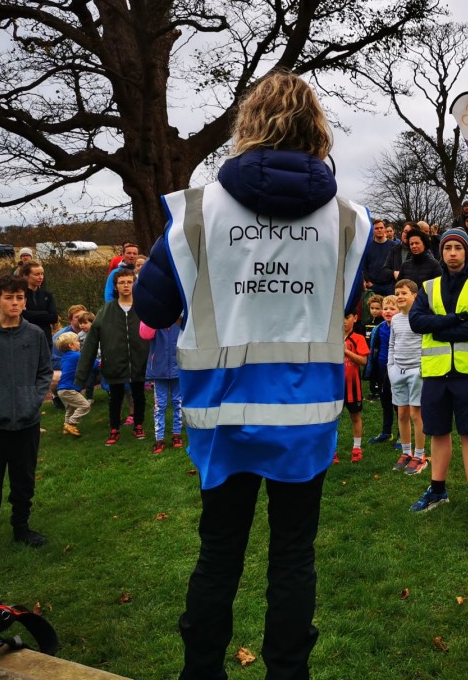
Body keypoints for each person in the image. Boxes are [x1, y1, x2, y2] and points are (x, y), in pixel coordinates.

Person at [133, 70, 371, 680]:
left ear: (249, 126)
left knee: (218, 557)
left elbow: (153, 308)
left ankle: (201, 673)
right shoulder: (347, 221)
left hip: (222, 417)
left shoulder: (197, 211)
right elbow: (341, 303)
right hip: (306, 420)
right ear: (316, 130)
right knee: (294, 558)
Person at [408, 227, 468, 520]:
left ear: (466, 253)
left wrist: (439, 328)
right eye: (447, 249)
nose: (452, 253)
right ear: (441, 253)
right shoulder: (429, 287)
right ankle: (437, 488)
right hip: (436, 373)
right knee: (438, 431)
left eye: (457, 248)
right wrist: (453, 320)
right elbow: (417, 322)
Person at [0, 274, 52, 559]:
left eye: (19, 298)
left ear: (25, 301)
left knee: (24, 479)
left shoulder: (35, 335)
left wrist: (33, 399)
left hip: (27, 422)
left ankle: (21, 527)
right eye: (8, 298)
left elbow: (44, 373)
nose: (14, 303)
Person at [77, 268, 149, 445]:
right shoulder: (107, 310)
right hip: (114, 363)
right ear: (116, 287)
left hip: (139, 362)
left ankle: (138, 424)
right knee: (115, 397)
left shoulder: (143, 308)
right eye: (122, 282)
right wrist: (80, 377)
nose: (126, 286)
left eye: (129, 282)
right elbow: (91, 343)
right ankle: (114, 429)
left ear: (135, 284)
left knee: (139, 394)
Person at [389, 279, 428, 474]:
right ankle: (406, 452)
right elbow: (392, 345)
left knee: (415, 414)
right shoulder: (395, 319)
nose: (400, 297)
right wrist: (391, 367)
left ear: (415, 295)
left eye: (404, 293)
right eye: (397, 294)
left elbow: (427, 344)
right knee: (402, 414)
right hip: (398, 372)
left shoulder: (421, 317)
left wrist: (421, 369)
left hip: (416, 372)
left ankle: (420, 455)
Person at [138, 319, 183, 453]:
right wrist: (153, 315)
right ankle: (159, 438)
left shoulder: (180, 319)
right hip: (159, 369)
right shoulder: (154, 318)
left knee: (178, 402)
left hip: (178, 367)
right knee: (160, 405)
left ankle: (177, 434)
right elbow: (145, 334)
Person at [364, 295, 396, 445]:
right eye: (385, 308)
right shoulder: (379, 328)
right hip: (382, 369)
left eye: (392, 309)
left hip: (398, 369)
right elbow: (374, 349)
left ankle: (403, 436)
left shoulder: (403, 327)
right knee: (385, 401)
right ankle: (386, 432)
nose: (388, 311)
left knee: (399, 405)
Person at [340, 311, 369, 462]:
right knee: (332, 419)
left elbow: (363, 361)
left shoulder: (358, 338)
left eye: (347, 317)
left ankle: (356, 448)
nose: (343, 321)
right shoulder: (331, 339)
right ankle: (332, 450)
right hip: (334, 387)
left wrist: (346, 352)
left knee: (355, 416)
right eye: (340, 317)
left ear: (355, 318)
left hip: (353, 386)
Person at [55, 331, 93, 438]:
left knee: (70, 409)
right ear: (70, 345)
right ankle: (71, 424)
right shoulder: (76, 355)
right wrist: (99, 363)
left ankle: (66, 429)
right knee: (85, 406)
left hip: (62, 389)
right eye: (77, 341)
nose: (79, 343)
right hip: (69, 389)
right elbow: (89, 362)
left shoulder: (65, 358)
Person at [20, 261, 58, 347]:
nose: (40, 277)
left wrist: (30, 314)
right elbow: (22, 316)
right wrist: (45, 313)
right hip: (26, 340)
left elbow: (54, 317)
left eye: (42, 274)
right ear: (26, 276)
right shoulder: (20, 295)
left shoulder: (47, 295)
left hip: (45, 340)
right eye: (36, 274)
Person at [363, 219, 398, 296]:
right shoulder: (367, 247)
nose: (379, 230)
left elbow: (397, 265)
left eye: (381, 228)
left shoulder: (394, 246)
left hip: (389, 285)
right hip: (373, 285)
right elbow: (364, 266)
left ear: (385, 229)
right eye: (376, 228)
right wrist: (368, 281)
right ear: (373, 230)